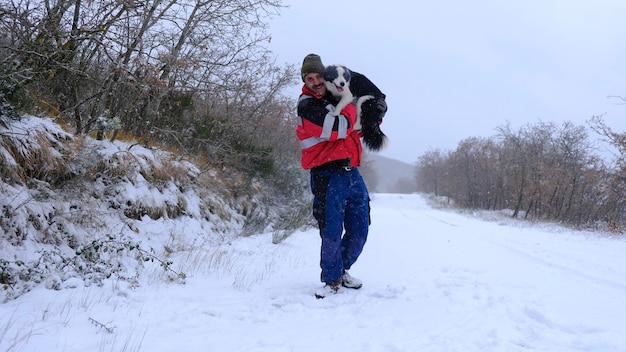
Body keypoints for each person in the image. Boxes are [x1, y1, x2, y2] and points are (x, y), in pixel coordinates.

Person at [296, 53, 387, 298]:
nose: (315, 82)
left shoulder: (334, 92)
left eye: (318, 76)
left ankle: (342, 269)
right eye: (309, 78)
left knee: (360, 228)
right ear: (305, 80)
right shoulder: (307, 105)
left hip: (352, 173)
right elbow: (338, 129)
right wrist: (353, 108)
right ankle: (331, 279)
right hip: (327, 175)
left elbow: (352, 80)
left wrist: (377, 104)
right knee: (331, 230)